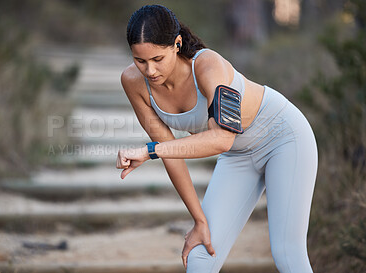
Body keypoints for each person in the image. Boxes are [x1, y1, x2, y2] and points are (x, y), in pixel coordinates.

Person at [116, 4, 318, 273]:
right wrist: (199, 220)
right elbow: (170, 155)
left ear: (176, 45)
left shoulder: (209, 66)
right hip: (238, 155)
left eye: (157, 59)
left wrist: (150, 151)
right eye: (141, 61)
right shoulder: (132, 81)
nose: (150, 71)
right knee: (201, 257)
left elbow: (222, 138)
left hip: (283, 137)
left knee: (287, 253)